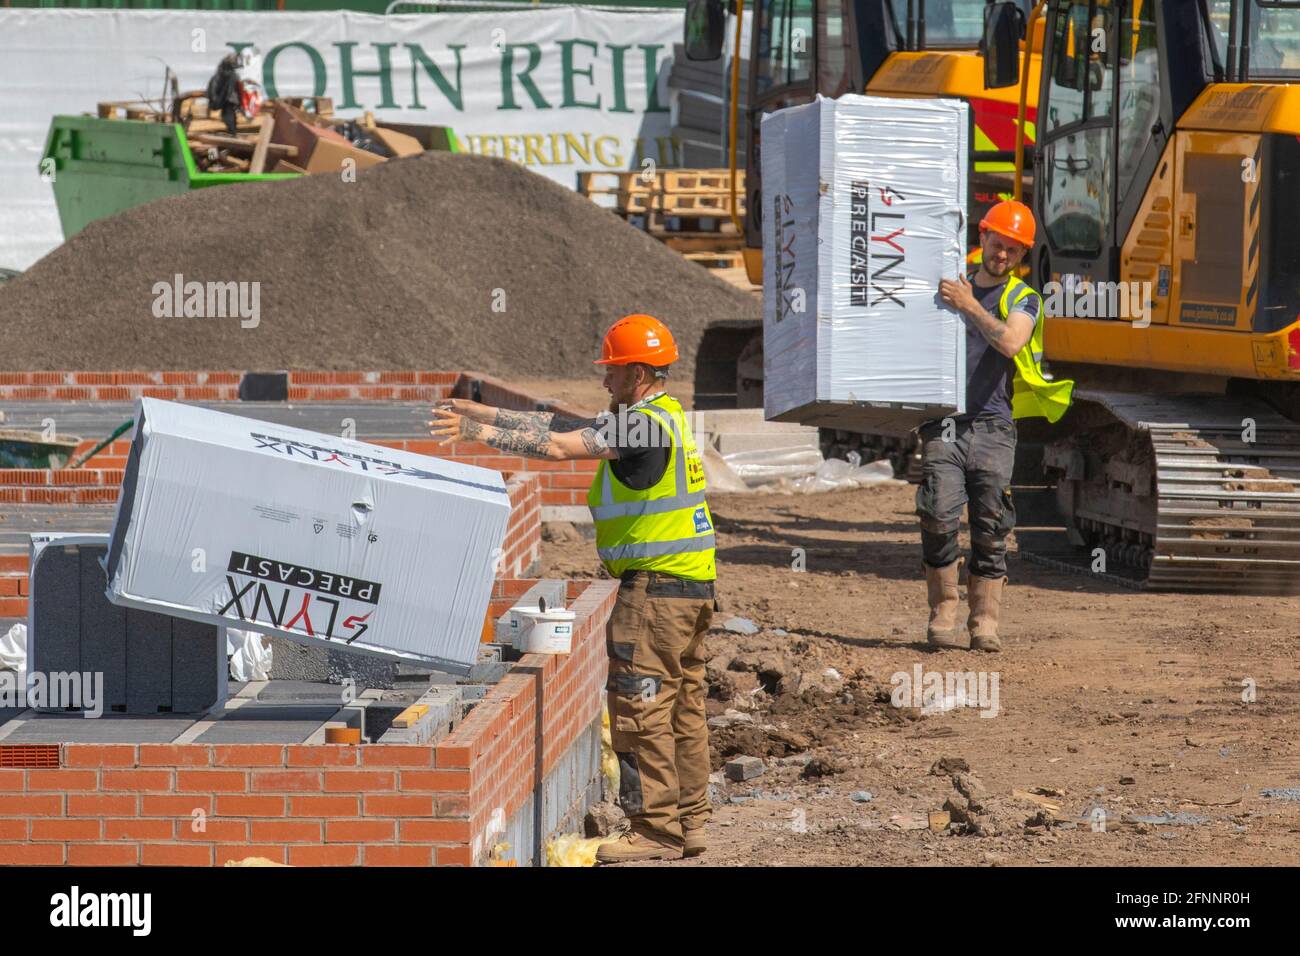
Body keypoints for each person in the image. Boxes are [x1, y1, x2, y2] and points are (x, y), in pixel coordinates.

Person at [428, 314, 716, 863]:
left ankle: (655, 829)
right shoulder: (663, 417)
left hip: (656, 593)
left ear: (636, 371)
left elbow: (559, 447)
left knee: (642, 707)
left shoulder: (641, 426)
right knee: (684, 708)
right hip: (692, 588)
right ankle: (691, 822)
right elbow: (563, 422)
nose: (604, 381)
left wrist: (477, 435)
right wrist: (486, 410)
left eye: (611, 371)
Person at [923, 200, 1073, 652]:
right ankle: (943, 609)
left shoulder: (1021, 297)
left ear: (1021, 256)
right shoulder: (949, 285)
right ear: (982, 237)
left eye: (1012, 250)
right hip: (943, 423)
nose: (1001, 255)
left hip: (992, 423)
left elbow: (1010, 341)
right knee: (936, 513)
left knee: (991, 523)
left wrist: (970, 306)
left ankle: (984, 622)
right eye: (996, 243)